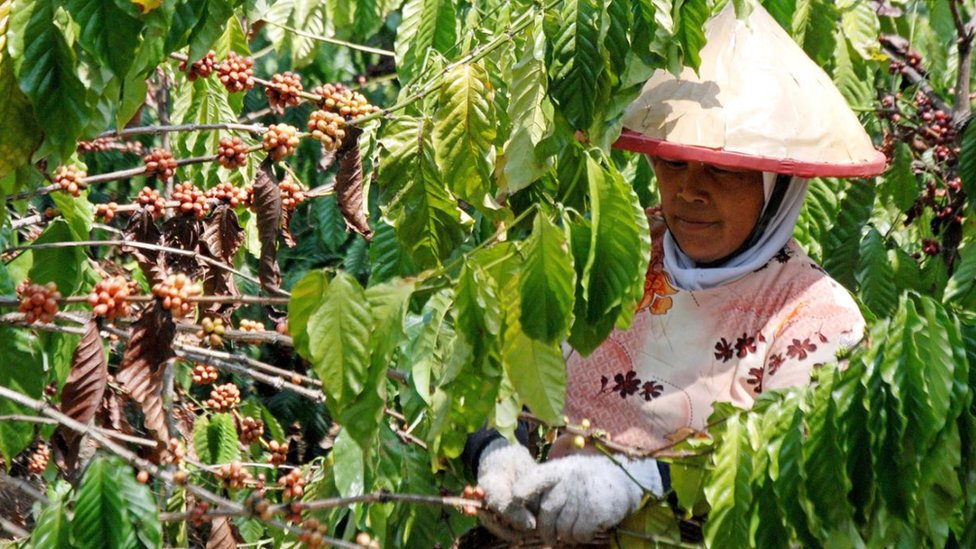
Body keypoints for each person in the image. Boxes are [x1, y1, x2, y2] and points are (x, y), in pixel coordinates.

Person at [464, 3, 888, 546]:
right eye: (674, 162)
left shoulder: (816, 320)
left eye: (721, 170)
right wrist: (494, 449)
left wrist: (636, 480)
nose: (688, 191)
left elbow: (787, 471)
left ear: (776, 183)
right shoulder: (612, 249)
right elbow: (494, 364)